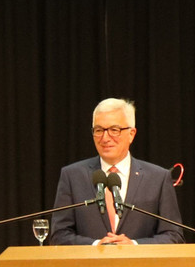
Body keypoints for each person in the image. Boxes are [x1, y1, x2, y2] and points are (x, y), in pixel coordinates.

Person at [50, 98, 185, 245]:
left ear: (131, 134)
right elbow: (59, 235)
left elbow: (174, 236)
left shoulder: (158, 178)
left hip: (140, 266)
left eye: (114, 130)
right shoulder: (72, 176)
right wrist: (95, 245)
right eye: (99, 130)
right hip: (89, 266)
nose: (105, 138)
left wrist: (134, 245)